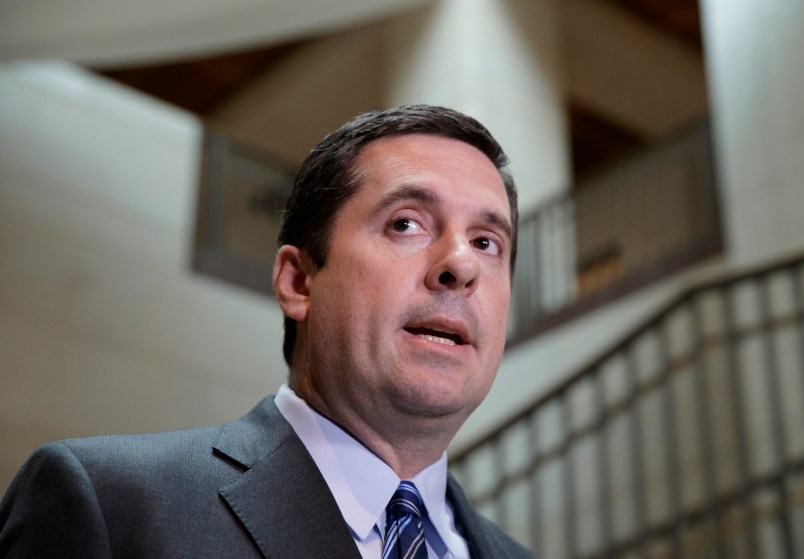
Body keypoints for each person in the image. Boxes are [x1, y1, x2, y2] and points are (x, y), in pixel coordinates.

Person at [0, 105, 535, 558]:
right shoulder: (110, 505)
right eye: (406, 223)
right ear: (299, 281)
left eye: (488, 242)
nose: (461, 264)